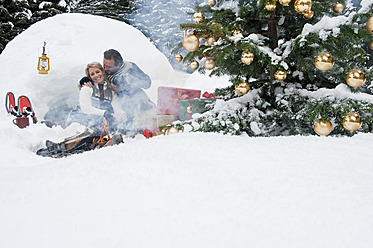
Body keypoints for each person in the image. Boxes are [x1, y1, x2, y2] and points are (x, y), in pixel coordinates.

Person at [103, 49, 155, 131]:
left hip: (139, 107)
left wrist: (130, 83)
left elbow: (147, 83)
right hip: (116, 109)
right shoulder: (104, 71)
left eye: (109, 67)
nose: (105, 69)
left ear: (118, 65)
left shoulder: (130, 68)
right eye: (104, 65)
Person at [68, 62, 127, 131]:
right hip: (78, 123)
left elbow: (117, 109)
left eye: (97, 72)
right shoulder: (87, 88)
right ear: (90, 77)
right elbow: (86, 108)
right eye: (92, 74)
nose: (96, 75)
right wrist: (105, 113)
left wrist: (122, 115)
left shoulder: (111, 92)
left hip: (97, 126)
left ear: (102, 72)